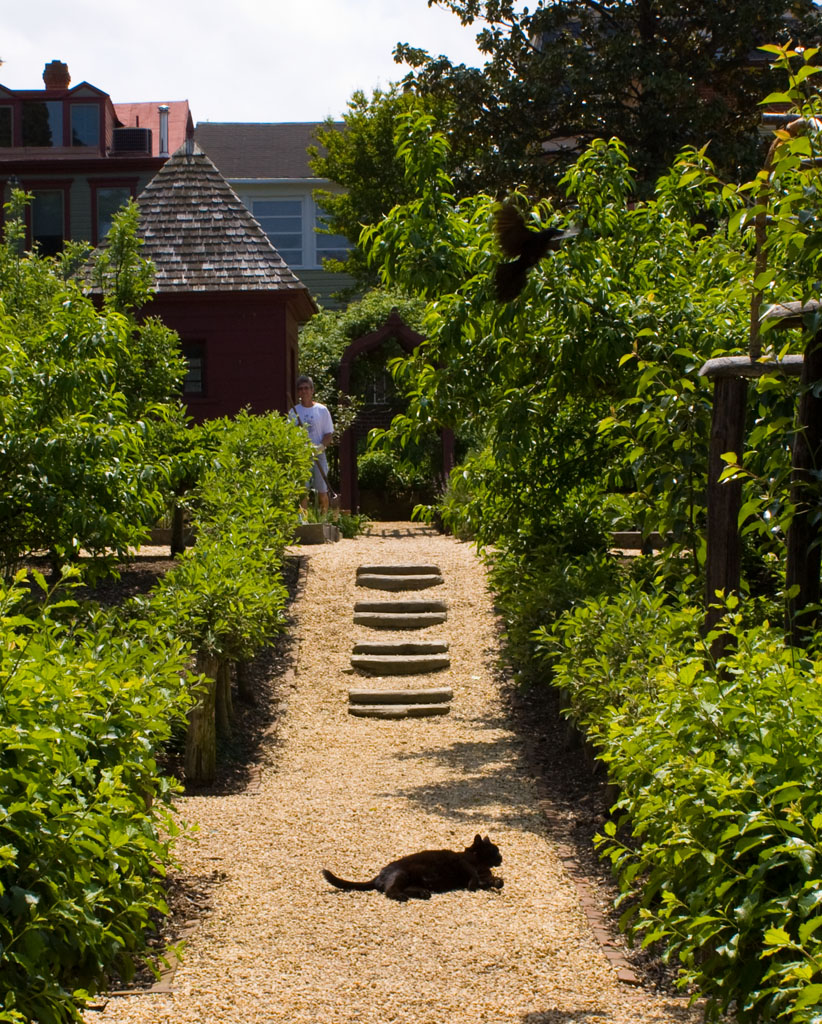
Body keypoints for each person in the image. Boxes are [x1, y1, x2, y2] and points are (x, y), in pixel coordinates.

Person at [289, 375, 335, 513]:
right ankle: (304, 521)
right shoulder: (294, 412)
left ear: (312, 390)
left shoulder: (321, 410)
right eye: (301, 389)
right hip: (302, 456)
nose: (304, 391)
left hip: (319, 454)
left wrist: (320, 447)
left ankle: (324, 519)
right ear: (298, 392)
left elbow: (329, 434)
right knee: (303, 491)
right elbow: (290, 434)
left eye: (306, 388)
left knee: (322, 490)